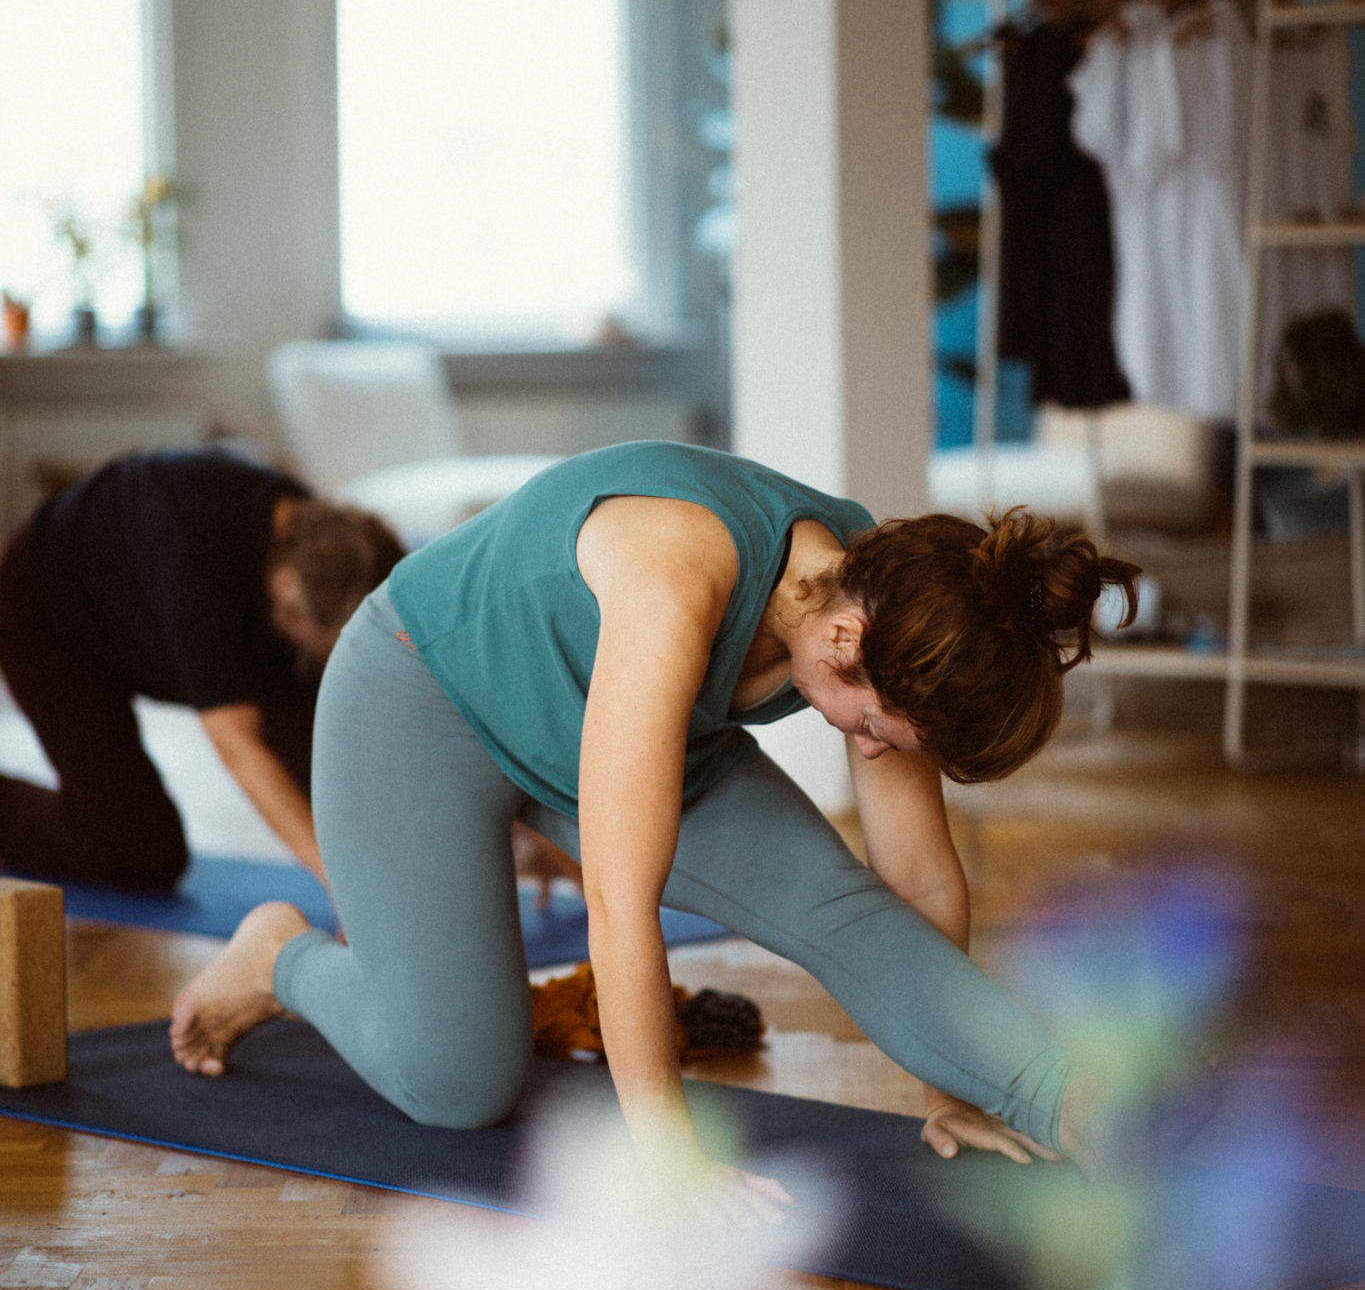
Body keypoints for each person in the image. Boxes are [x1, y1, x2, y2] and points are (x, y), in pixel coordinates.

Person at [170, 441, 1139, 1213]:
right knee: (457, 1085)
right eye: (878, 728)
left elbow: (918, 881)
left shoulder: (903, 600)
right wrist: (670, 1154)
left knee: (840, 905)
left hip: (630, 728)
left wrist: (953, 1078)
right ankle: (280, 955)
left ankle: (1083, 1108)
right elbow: (620, 898)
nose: (877, 752)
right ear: (845, 646)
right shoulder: (677, 579)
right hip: (422, 700)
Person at [0, 447, 404, 893]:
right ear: (286, 588)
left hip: (141, 598)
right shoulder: (199, 568)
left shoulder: (325, 539)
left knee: (326, 749)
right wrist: (340, 886)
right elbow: (238, 748)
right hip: (47, 614)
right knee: (142, 853)